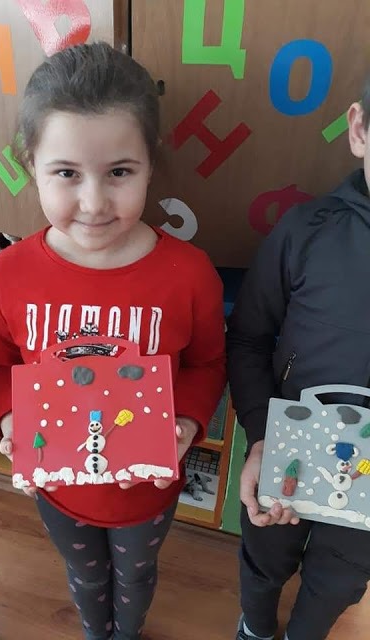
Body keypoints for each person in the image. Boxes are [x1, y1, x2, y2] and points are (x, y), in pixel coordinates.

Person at [0, 41, 226, 640]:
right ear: (31, 164)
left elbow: (207, 364)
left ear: (150, 164)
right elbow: (0, 363)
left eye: (119, 172)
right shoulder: (8, 274)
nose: (93, 204)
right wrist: (9, 417)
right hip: (58, 487)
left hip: (146, 490)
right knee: (84, 576)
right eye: (66, 173)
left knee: (136, 576)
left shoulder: (190, 273)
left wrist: (187, 423)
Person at [227, 76, 370, 640]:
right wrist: (262, 437)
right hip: (287, 454)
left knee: (340, 578)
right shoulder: (307, 232)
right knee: (265, 554)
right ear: (359, 129)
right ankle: (257, 629)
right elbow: (248, 338)